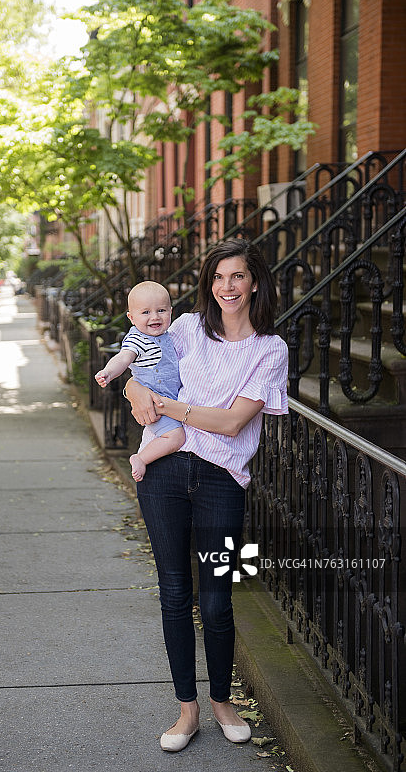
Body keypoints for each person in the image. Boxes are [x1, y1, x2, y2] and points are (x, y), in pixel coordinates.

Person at [124, 238, 288, 752]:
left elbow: (232, 422)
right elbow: (141, 371)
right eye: (218, 277)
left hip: (222, 481)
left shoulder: (269, 349)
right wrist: (133, 391)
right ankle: (186, 711)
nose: (227, 287)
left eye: (237, 276)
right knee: (174, 591)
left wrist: (168, 408)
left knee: (217, 600)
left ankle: (222, 701)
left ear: (254, 282)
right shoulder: (187, 328)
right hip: (165, 474)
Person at [95, 281, 185, 481]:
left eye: (161, 310)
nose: (154, 317)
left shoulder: (169, 336)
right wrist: (108, 372)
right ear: (131, 317)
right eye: (145, 312)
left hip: (173, 401)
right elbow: (123, 357)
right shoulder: (137, 338)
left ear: (171, 311)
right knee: (176, 437)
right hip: (155, 405)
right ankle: (141, 458)